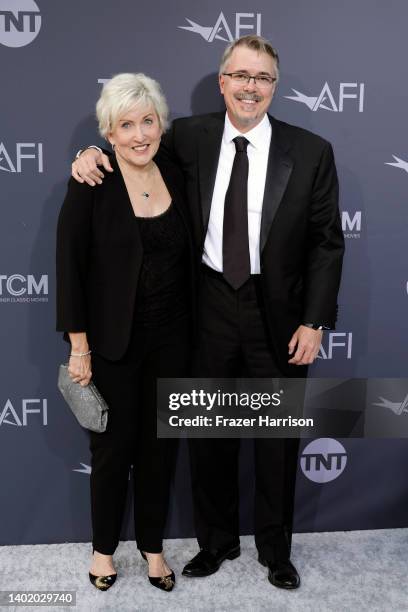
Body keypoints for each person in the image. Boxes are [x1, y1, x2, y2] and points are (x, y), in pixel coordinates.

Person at [71, 35, 345, 590]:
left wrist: (314, 321)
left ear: (274, 86)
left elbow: (327, 244)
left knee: (276, 438)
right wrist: (88, 155)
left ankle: (276, 550)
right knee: (209, 436)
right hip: (204, 309)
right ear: (222, 83)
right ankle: (216, 542)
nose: (251, 86)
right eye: (241, 75)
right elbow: (131, 152)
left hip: (280, 316)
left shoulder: (312, 151)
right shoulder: (188, 138)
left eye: (262, 77)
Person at [57, 73, 196, 592]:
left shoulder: (177, 173)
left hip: (174, 341)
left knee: (161, 449)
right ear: (109, 134)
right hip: (113, 347)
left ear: (160, 124)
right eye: (125, 125)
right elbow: (69, 268)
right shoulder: (91, 181)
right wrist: (79, 346)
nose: (140, 134)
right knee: (113, 453)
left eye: (148, 121)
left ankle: (154, 550)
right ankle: (102, 552)